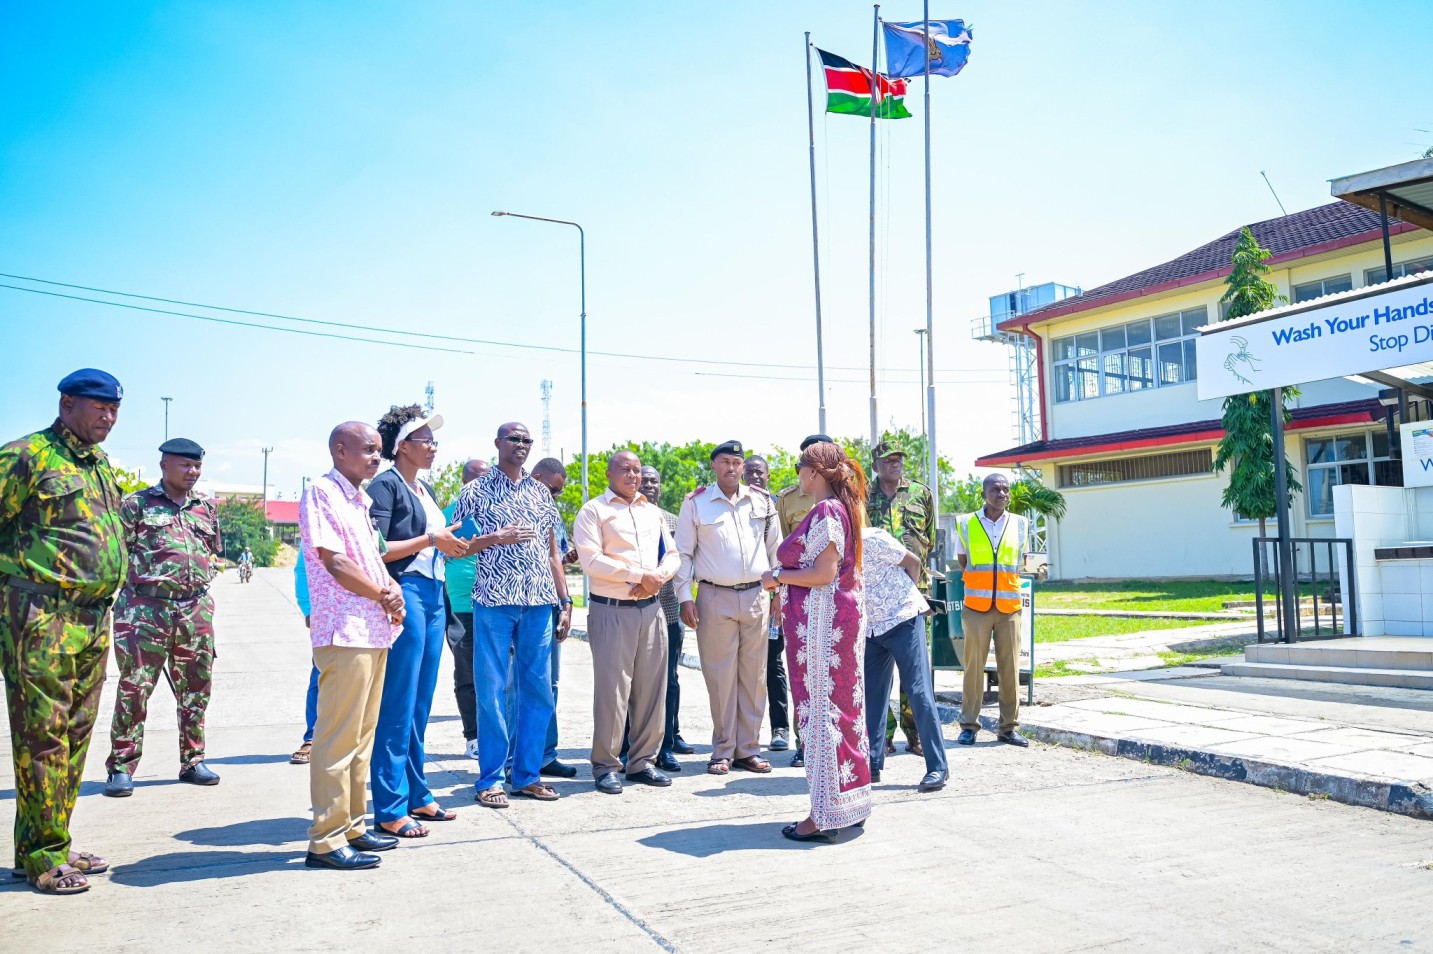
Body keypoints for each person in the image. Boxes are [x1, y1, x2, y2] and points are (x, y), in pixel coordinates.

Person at [0, 369, 126, 895]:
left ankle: (49, 842)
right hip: (41, 615)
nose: (108, 416)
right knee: (42, 738)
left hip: (93, 618)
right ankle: (44, 858)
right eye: (98, 406)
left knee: (73, 737)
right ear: (67, 403)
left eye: (115, 408)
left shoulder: (99, 466)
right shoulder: (27, 455)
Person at [299, 422, 407, 871]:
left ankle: (353, 826)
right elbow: (335, 560)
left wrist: (391, 590)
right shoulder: (321, 492)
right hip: (344, 631)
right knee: (336, 738)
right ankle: (325, 839)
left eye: (379, 451)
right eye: (367, 450)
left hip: (371, 629)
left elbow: (368, 559)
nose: (375, 459)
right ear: (339, 450)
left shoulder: (359, 500)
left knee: (362, 737)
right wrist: (382, 594)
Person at [451, 423, 572, 807]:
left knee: (537, 690)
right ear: (498, 444)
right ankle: (489, 779)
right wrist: (493, 539)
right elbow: (454, 545)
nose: (520, 445)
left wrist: (564, 601)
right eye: (513, 439)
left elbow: (554, 552)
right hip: (493, 602)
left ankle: (526, 776)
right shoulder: (475, 491)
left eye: (526, 441)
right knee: (491, 690)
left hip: (538, 602)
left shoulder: (540, 493)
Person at [366, 405, 470, 838]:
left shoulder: (423, 488)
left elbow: (435, 542)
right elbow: (378, 547)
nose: (433, 447)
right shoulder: (385, 486)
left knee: (420, 704)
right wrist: (432, 539)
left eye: (434, 440)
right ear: (402, 446)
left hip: (432, 593)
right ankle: (389, 806)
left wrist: (454, 544)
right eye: (425, 440)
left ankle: (417, 794)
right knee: (397, 704)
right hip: (405, 591)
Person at [761, 441, 871, 841]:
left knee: (822, 714)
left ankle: (823, 815)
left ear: (815, 473)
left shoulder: (826, 510)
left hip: (824, 631)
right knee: (843, 711)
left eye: (800, 468)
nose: (797, 476)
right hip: (832, 625)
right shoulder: (843, 508)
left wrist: (778, 577)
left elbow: (824, 572)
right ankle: (849, 803)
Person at [103, 437, 224, 797]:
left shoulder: (206, 508)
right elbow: (115, 554)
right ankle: (121, 767)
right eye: (185, 465)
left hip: (195, 609)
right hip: (144, 610)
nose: (193, 472)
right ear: (164, 465)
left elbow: (213, 552)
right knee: (135, 687)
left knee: (196, 687)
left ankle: (193, 760)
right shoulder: (136, 505)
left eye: (197, 465)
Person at [575, 452, 679, 794]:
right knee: (613, 693)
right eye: (625, 469)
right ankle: (606, 765)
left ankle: (643, 762)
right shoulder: (594, 510)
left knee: (652, 690)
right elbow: (591, 560)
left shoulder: (653, 513)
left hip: (651, 609)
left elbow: (673, 555)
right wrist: (640, 575)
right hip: (611, 610)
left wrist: (657, 578)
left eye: (637, 470)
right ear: (608, 473)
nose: (633, 475)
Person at [675, 439, 780, 776]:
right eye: (725, 462)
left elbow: (775, 548)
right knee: (720, 677)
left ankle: (748, 749)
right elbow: (683, 553)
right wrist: (684, 597)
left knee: (754, 676)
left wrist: (778, 592)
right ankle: (722, 750)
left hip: (756, 596)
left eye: (737, 462)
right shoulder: (697, 503)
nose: (732, 467)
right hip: (713, 596)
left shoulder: (761, 501)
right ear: (714, 466)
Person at [862, 526, 948, 791]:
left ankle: (938, 767)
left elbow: (912, 561)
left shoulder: (872, 538)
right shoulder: (832, 547)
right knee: (871, 695)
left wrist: (909, 594)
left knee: (917, 690)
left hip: (903, 618)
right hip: (871, 626)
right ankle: (872, 766)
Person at [866, 439, 936, 758]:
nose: (895, 463)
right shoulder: (864, 497)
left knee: (915, 673)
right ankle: (884, 734)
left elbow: (929, 541)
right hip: (875, 599)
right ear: (876, 464)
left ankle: (917, 733)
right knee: (877, 675)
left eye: (899, 459)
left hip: (914, 593)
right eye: (888, 459)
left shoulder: (921, 493)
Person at [956, 473, 1030, 748]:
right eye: (995, 489)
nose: (1001, 493)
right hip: (976, 606)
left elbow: (1021, 562)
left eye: (1005, 489)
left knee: (1010, 667)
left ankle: (1008, 727)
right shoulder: (966, 523)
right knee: (973, 667)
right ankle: (968, 726)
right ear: (984, 492)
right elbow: (963, 561)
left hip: (1009, 607)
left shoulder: (1021, 524)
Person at [773, 433, 830, 769]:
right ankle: (804, 742)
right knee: (802, 675)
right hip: (799, 599)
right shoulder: (789, 499)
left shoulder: (844, 500)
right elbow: (784, 547)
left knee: (837, 680)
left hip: (832, 601)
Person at [527, 457, 577, 779]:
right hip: (518, 607)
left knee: (550, 683)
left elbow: (557, 558)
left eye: (558, 492)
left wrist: (565, 602)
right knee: (519, 685)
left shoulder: (553, 514)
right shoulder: (514, 503)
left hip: (550, 605)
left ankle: (546, 754)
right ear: (536, 476)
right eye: (551, 488)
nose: (554, 495)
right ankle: (516, 757)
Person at [640, 465, 692, 770]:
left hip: (669, 611)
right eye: (643, 479)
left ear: (660, 486)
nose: (647, 484)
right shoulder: (625, 518)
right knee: (637, 682)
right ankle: (634, 743)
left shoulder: (674, 521)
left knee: (670, 679)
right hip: (635, 612)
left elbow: (683, 563)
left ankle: (669, 741)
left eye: (653, 481)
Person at [742, 454, 791, 756]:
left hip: (773, 600)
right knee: (744, 668)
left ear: (769, 475)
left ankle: (780, 728)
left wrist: (778, 598)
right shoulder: (739, 506)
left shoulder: (776, 506)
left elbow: (781, 553)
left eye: (759, 472)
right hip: (742, 599)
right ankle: (746, 734)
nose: (754, 477)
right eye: (749, 473)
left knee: (773, 663)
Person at [443, 458, 489, 760]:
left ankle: (497, 734)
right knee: (467, 674)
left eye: (486, 479)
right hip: (460, 608)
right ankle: (473, 737)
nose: (480, 485)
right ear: (463, 482)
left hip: (495, 605)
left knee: (498, 675)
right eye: (474, 479)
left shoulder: (499, 514)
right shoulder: (448, 517)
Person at [291, 548, 318, 765]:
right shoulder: (321, 515)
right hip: (330, 614)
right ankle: (313, 737)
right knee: (322, 676)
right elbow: (303, 569)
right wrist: (309, 609)